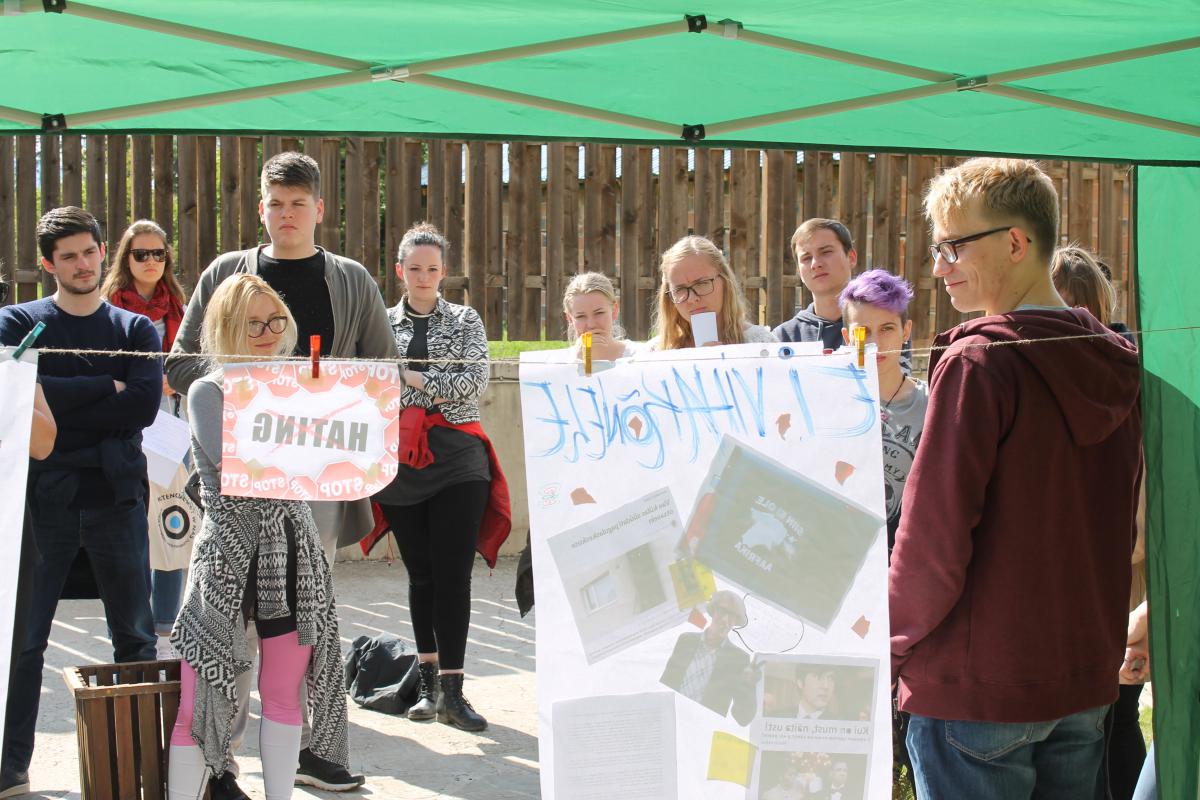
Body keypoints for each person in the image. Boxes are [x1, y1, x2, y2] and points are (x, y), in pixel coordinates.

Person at [890, 158, 1143, 799]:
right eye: (936, 248)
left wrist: (883, 647)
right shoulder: (1117, 362)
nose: (939, 266)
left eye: (954, 246)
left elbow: (933, 541)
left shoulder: (980, 361)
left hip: (976, 694)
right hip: (1083, 684)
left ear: (1014, 242)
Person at [166, 151, 387, 792]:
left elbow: (380, 373)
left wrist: (321, 401)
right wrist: (244, 393)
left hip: (312, 494)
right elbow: (182, 362)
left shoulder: (350, 280)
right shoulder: (225, 276)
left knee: (295, 637)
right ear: (260, 208)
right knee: (226, 643)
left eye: (298, 203)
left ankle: (308, 754)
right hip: (234, 500)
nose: (285, 214)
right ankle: (218, 766)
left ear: (319, 208)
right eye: (275, 203)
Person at [0, 207, 162, 796]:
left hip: (117, 498)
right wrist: (105, 387)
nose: (82, 263)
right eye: (67, 255)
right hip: (42, 503)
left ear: (102, 253)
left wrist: (54, 394)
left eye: (89, 251)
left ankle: (144, 767)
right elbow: (17, 400)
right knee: (24, 641)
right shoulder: (18, 322)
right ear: (48, 264)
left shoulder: (136, 331)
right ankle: (11, 769)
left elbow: (142, 408)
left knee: (137, 638)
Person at [167, 274, 347, 800]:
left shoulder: (303, 384)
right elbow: (235, 471)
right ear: (226, 328)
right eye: (253, 323)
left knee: (283, 696)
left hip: (292, 552)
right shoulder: (209, 389)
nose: (268, 332)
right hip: (226, 556)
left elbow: (335, 456)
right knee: (197, 701)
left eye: (275, 321)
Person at [373, 222, 511, 732]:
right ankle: (429, 688)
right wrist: (429, 386)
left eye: (433, 269)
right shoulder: (382, 322)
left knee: (454, 575)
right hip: (403, 462)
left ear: (444, 272)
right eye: (415, 269)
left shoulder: (467, 318)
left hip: (458, 459)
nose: (424, 277)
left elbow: (474, 382)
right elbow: (375, 384)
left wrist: (410, 378)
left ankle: (454, 688)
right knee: (421, 575)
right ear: (400, 271)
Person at [101, 219, 190, 658]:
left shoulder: (180, 305)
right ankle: (135, 619)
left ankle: (166, 618)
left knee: (174, 516)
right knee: (135, 521)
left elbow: (195, 362)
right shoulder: (108, 307)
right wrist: (150, 380)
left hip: (173, 426)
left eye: (159, 253)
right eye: (142, 254)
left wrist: (177, 379)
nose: (151, 261)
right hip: (128, 427)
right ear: (126, 258)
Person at [0, 322, 56, 800]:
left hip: (8, 525)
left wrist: (12, 385)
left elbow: (43, 443)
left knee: (16, 647)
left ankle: (9, 766)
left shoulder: (10, 358)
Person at [838, 269, 927, 552]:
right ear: (847, 337)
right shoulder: (831, 403)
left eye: (887, 328)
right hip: (839, 552)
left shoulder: (933, 403)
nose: (875, 344)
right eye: (862, 332)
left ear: (906, 331)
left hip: (903, 558)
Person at [649, 235, 775, 349]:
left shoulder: (761, 344)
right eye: (680, 289)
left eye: (701, 283)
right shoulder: (657, 352)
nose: (692, 298)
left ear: (725, 281)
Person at [658, 590, 756, 726]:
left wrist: (749, 686)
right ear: (713, 610)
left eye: (732, 616)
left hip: (701, 728)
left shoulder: (739, 660)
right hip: (671, 717)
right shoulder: (686, 640)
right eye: (723, 611)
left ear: (736, 622)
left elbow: (743, 719)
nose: (726, 620)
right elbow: (665, 685)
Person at [773, 219, 858, 350]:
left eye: (826, 252)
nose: (815, 264)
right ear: (799, 271)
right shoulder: (783, 339)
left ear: (851, 257)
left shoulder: (880, 326)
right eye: (806, 258)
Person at [562, 271, 639, 359]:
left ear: (614, 311)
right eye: (580, 316)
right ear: (570, 318)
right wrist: (580, 360)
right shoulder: (560, 363)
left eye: (599, 313)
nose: (591, 325)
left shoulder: (639, 356)